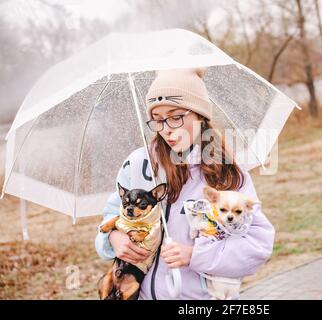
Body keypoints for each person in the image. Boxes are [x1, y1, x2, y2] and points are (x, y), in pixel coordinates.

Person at [94, 67, 275, 300]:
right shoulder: (139, 163)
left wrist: (195, 255)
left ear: (200, 115)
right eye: (158, 120)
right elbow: (110, 217)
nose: (167, 129)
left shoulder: (226, 175)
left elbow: (257, 245)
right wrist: (113, 238)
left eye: (176, 117)